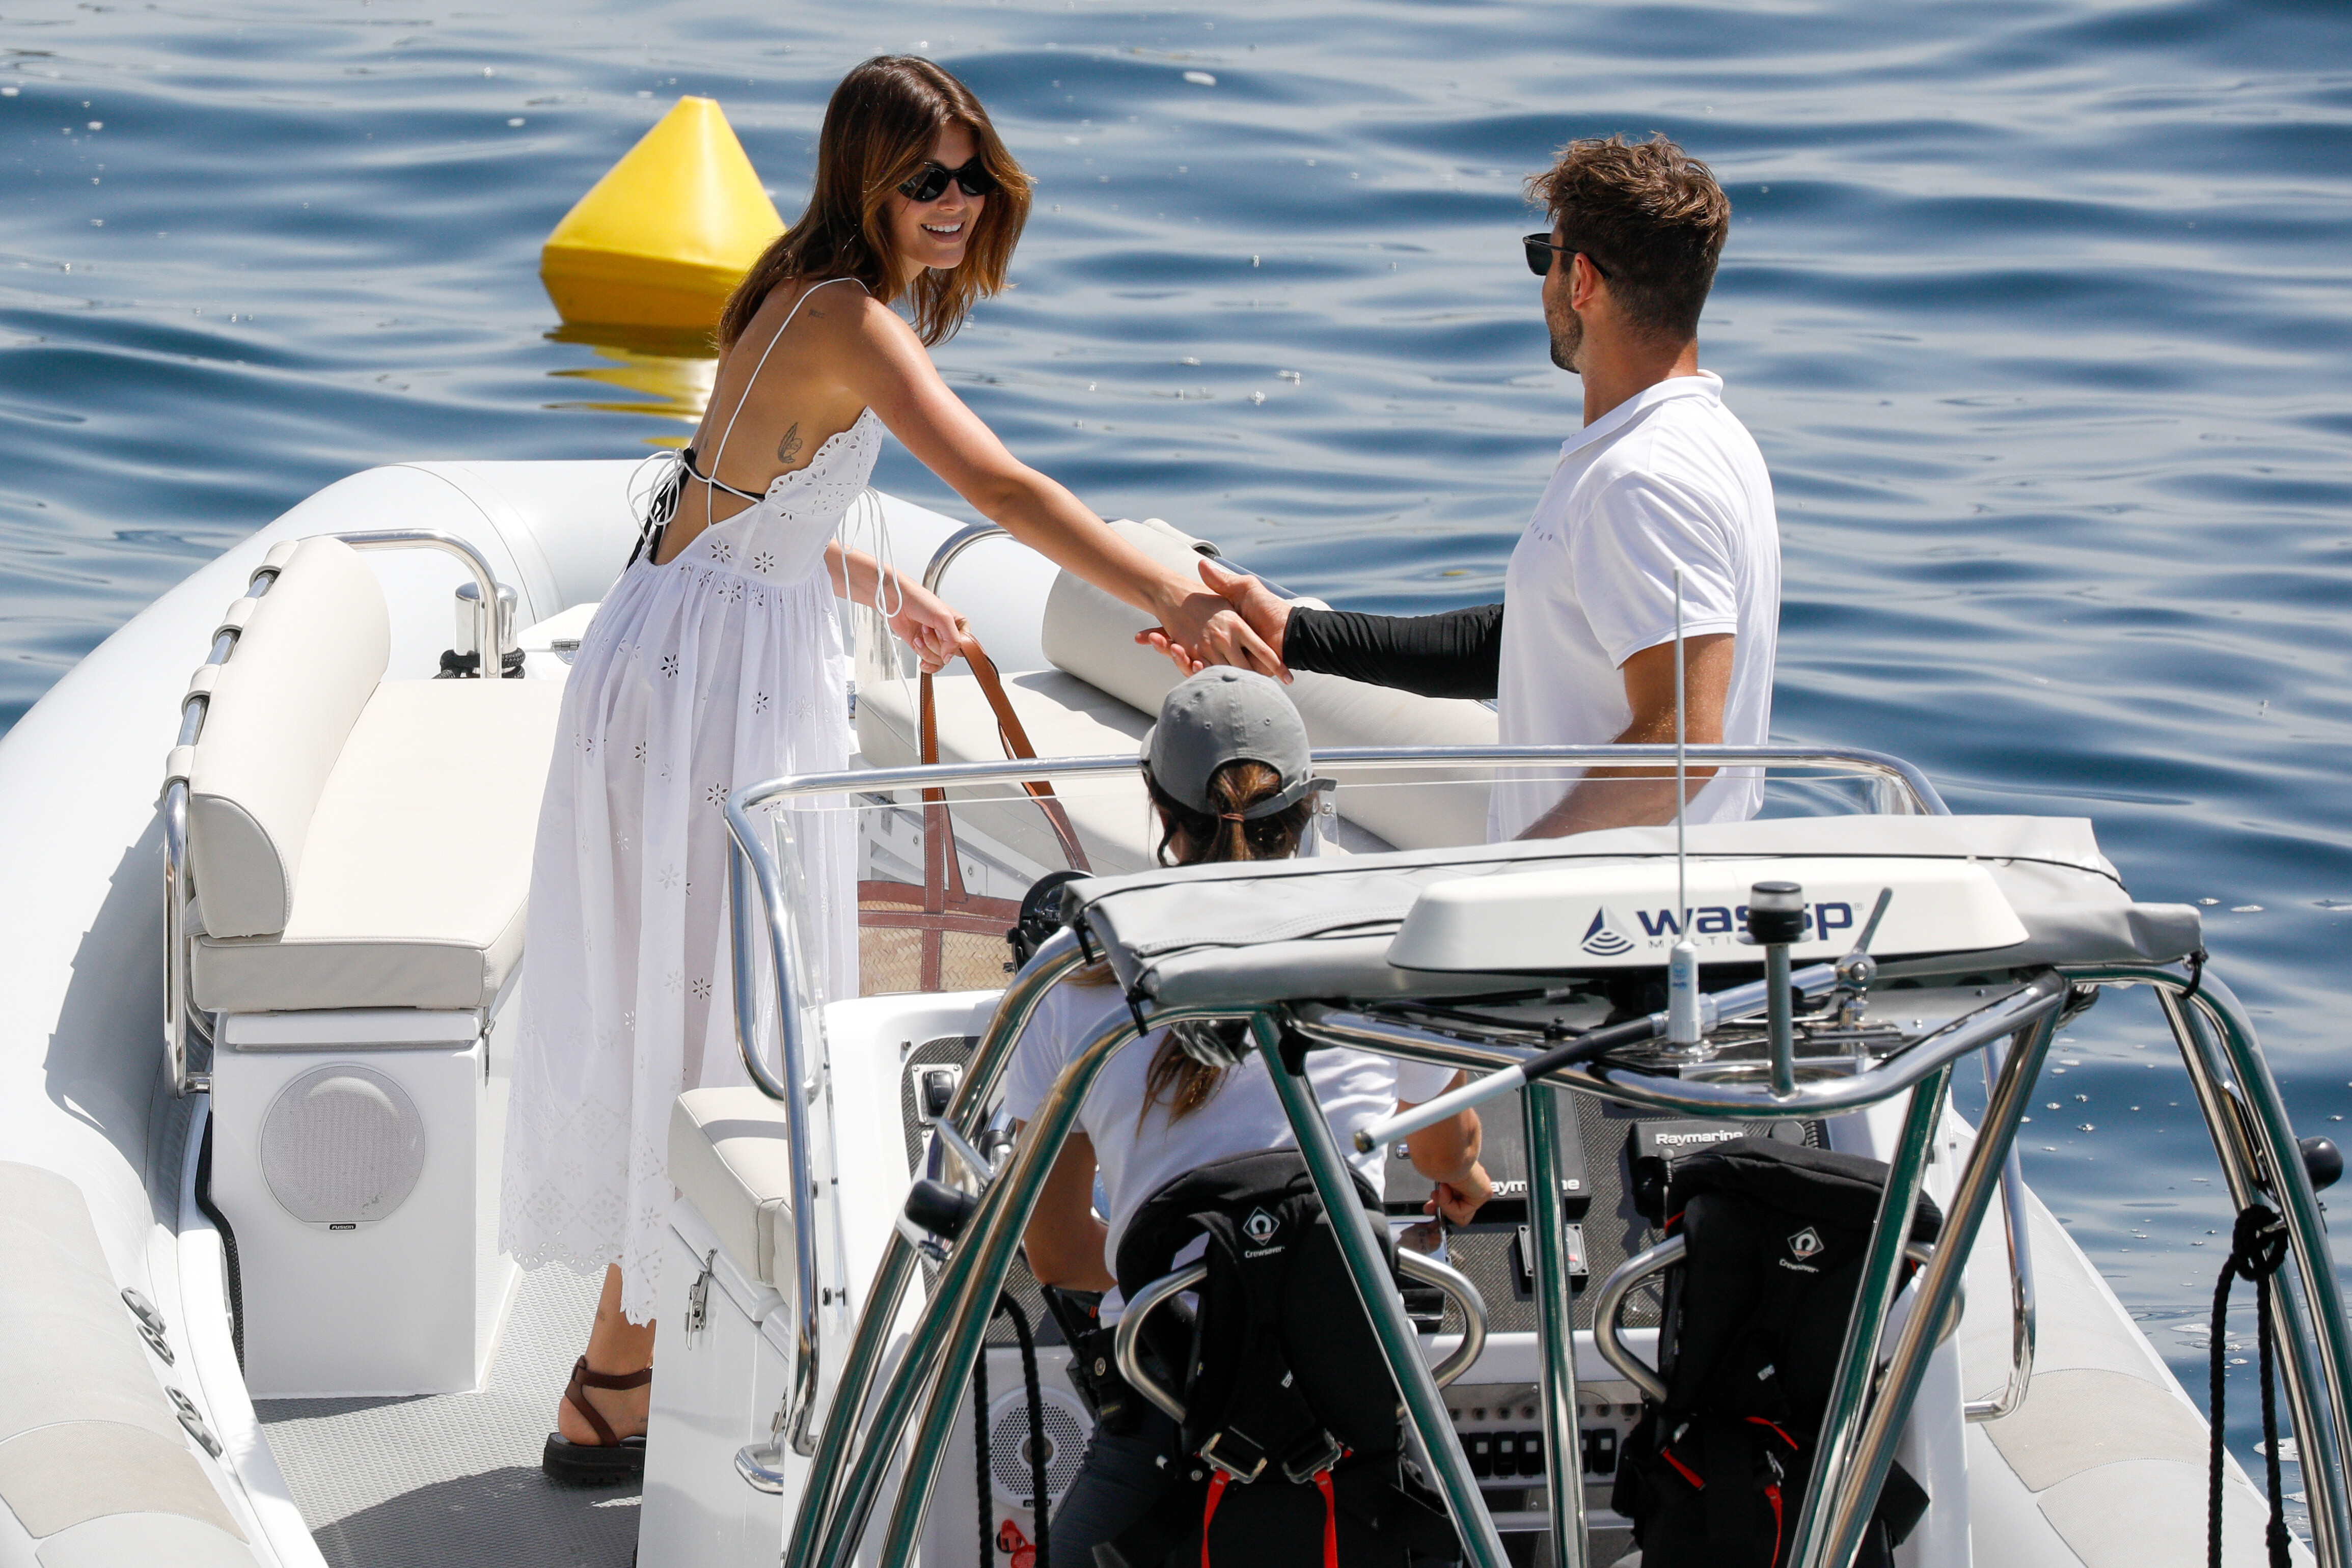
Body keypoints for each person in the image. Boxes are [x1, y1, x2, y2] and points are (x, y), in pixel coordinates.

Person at [504, 56, 1286, 1484]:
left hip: (697, 645)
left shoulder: (798, 287)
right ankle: (615, 1380)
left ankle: (627, 1368)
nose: (954, 201)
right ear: (865, 178)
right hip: (709, 684)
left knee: (709, 999)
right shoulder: (850, 318)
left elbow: (726, 491)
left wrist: (862, 572)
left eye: (972, 176)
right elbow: (999, 488)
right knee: (712, 1008)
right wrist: (1170, 598)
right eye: (925, 178)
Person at [1002, 667, 1494, 1561]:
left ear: (1160, 811)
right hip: (1357, 1426)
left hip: (1165, 1417)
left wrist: (1200, 1279)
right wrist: (1463, 1175)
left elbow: (1058, 1251)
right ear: (1306, 807)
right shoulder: (1387, 953)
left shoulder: (1070, 986)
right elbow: (1441, 1149)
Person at [1170, 133, 1779, 842]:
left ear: (1580, 280)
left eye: (1544, 257)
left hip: (1611, 902)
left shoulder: (1640, 476)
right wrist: (1299, 634)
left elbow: (1682, 747)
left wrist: (1513, 871)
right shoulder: (1710, 439)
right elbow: (1532, 638)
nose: (1542, 285)